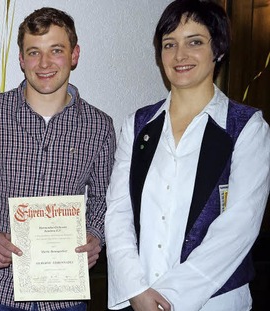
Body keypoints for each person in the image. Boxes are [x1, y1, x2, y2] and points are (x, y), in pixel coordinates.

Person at [105, 0, 270, 310]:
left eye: (194, 42)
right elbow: (118, 213)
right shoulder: (138, 124)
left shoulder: (247, 128)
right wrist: (137, 290)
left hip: (214, 301)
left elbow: (239, 226)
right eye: (170, 44)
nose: (180, 55)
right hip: (139, 296)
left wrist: (169, 297)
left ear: (218, 49)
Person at [0, 7, 116, 311]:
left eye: (56, 50)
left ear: (74, 55)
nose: (45, 63)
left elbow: (104, 198)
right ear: (21, 60)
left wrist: (95, 236)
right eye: (34, 52)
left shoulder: (99, 125)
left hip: (65, 294)